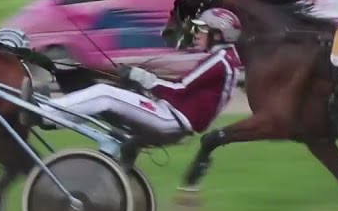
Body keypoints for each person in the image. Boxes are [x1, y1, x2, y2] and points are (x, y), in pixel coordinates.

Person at [38, 8, 243, 140]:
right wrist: (144, 82)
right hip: (173, 115)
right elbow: (182, 88)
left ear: (218, 34)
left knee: (104, 94)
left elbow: (181, 88)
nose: (197, 34)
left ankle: (44, 113)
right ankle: (54, 117)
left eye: (203, 30)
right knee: (107, 100)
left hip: (171, 118)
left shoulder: (220, 61)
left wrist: (143, 78)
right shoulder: (225, 60)